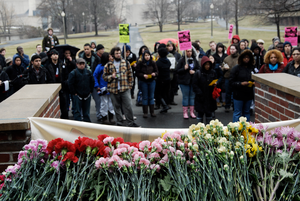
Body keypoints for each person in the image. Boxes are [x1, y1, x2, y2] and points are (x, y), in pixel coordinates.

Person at [103, 46, 139, 127]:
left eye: (119, 53)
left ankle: (131, 122)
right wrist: (111, 76)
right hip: (113, 89)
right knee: (117, 107)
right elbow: (104, 77)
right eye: (116, 53)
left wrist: (130, 85)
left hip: (124, 88)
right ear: (112, 55)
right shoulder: (108, 65)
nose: (118, 55)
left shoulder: (125, 62)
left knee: (128, 106)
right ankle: (120, 122)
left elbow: (130, 74)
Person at [229, 50, 255, 122]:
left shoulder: (252, 68)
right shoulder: (236, 69)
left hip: (249, 94)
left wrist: (254, 83)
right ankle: (235, 128)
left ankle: (246, 129)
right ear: (241, 58)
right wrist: (240, 84)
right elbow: (231, 82)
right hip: (238, 95)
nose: (246, 59)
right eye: (244, 57)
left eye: (248, 57)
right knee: (237, 113)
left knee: (247, 112)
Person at [78, 43, 102, 120]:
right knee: (83, 100)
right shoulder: (81, 58)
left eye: (88, 49)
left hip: (94, 81)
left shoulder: (96, 58)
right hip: (85, 82)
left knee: (98, 100)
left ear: (91, 49)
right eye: (85, 49)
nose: (86, 51)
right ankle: (83, 116)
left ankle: (99, 115)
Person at [44, 49, 70, 119]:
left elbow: (66, 75)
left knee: (64, 104)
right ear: (51, 56)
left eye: (56, 54)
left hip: (62, 87)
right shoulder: (48, 66)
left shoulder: (62, 64)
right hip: (52, 87)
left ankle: (65, 118)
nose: (55, 56)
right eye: (54, 55)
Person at [192, 56, 217, 124]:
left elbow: (215, 80)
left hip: (210, 97)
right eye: (206, 64)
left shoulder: (212, 72)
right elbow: (194, 84)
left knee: (209, 115)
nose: (208, 66)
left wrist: (215, 84)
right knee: (200, 114)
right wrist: (199, 93)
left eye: (209, 64)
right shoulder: (198, 73)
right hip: (201, 98)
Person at [177, 48, 200, 119]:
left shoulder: (195, 60)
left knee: (192, 97)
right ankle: (185, 112)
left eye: (190, 51)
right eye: (187, 51)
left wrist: (195, 72)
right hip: (184, 81)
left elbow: (198, 69)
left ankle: (192, 112)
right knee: (185, 96)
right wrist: (184, 68)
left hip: (193, 81)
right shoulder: (182, 60)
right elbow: (177, 70)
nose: (189, 53)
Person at [93, 52, 116, 125]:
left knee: (111, 103)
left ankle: (111, 117)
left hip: (111, 87)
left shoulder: (112, 66)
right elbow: (95, 76)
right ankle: (104, 117)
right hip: (103, 87)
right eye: (109, 57)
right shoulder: (100, 67)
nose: (111, 58)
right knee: (104, 103)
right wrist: (97, 86)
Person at [136, 50, 158, 118]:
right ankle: (145, 112)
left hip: (151, 81)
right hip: (143, 81)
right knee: (145, 97)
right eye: (145, 55)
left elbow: (157, 71)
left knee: (151, 96)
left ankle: (152, 112)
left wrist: (154, 74)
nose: (147, 57)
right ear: (143, 56)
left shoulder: (153, 63)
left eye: (148, 55)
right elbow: (137, 73)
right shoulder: (140, 63)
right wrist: (143, 75)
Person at [222, 44, 239, 113]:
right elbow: (222, 67)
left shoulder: (240, 58)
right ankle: (227, 105)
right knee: (228, 93)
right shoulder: (227, 58)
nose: (232, 51)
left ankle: (235, 106)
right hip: (228, 77)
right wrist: (224, 68)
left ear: (236, 50)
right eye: (231, 49)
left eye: (233, 49)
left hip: (236, 78)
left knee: (235, 93)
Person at [155, 46, 171, 113]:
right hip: (167, 79)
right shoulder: (167, 61)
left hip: (160, 80)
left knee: (157, 93)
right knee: (165, 93)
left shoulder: (158, 62)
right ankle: (165, 105)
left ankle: (164, 105)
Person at [167, 41, 181, 105]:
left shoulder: (177, 54)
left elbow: (179, 62)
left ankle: (171, 100)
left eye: (172, 46)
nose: (171, 47)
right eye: (169, 46)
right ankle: (167, 100)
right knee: (168, 87)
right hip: (167, 73)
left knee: (173, 87)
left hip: (175, 72)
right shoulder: (166, 54)